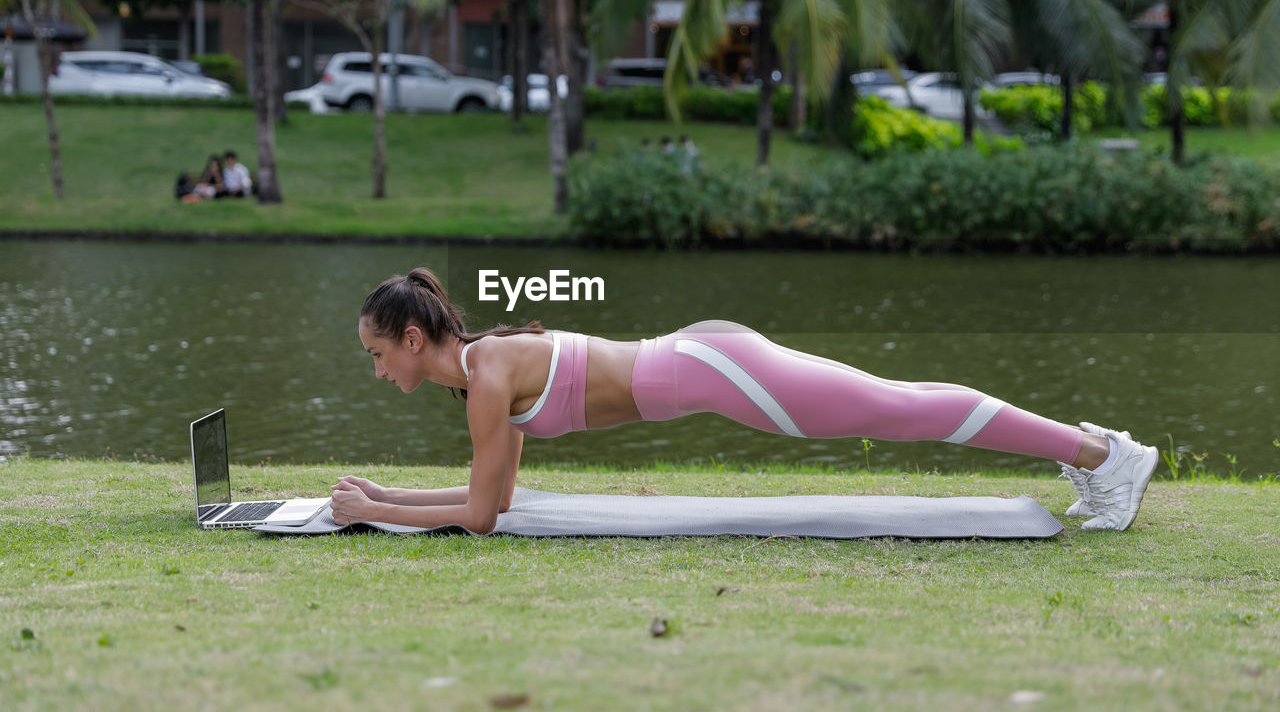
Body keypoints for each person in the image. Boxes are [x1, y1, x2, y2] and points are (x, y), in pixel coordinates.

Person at [333, 268, 1160, 534]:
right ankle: (1091, 451)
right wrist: (382, 496)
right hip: (708, 361)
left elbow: (479, 517)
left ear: (412, 338)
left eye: (375, 355)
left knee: (897, 407)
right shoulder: (486, 373)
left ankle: (1103, 456)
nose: (376, 372)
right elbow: (500, 499)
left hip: (712, 369)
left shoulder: (484, 378)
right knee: (896, 401)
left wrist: (374, 511)